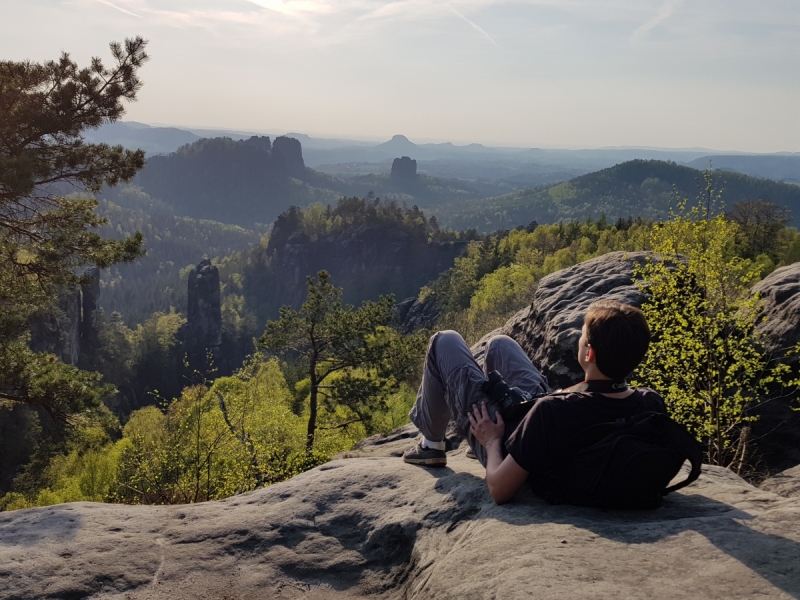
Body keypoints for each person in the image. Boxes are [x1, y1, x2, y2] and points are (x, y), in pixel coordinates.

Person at [402, 299, 666, 505]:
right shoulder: (649, 403)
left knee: (445, 340)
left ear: (589, 352)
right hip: (546, 433)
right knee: (499, 344)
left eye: (582, 335)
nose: (579, 339)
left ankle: (431, 444)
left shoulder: (552, 411)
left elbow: (499, 490)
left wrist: (492, 442)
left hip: (509, 453)